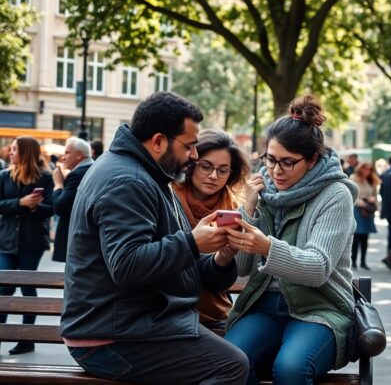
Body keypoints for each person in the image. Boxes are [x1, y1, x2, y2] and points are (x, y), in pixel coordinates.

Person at [60, 92, 248, 384]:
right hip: (113, 338)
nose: (195, 156)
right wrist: (192, 243)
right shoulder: (129, 181)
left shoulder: (149, 176)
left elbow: (182, 267)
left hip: (133, 326)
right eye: (189, 146)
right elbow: (126, 265)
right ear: (158, 141)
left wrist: (221, 258)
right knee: (231, 366)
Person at [224, 95, 357, 384]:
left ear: (311, 160)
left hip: (320, 309)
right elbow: (242, 268)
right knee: (228, 363)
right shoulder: (263, 190)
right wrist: (247, 210)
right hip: (263, 305)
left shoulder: (335, 195)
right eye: (270, 159)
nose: (275, 170)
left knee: (291, 369)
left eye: (287, 162)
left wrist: (267, 246)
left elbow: (318, 267)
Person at [172, 129, 248, 330]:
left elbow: (218, 283)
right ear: (191, 163)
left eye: (223, 170)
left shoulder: (234, 210)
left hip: (215, 313)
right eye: (206, 166)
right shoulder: (169, 197)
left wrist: (223, 260)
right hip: (170, 312)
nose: (214, 176)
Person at [0, 136, 54, 355]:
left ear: (26, 152)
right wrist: (20, 203)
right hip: (6, 241)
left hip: (32, 242)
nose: (10, 152)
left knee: (27, 286)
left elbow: (51, 208)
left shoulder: (45, 177)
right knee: (4, 289)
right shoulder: (4, 176)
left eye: (14, 149)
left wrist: (34, 208)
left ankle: (26, 338)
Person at [51, 137, 94, 263]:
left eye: (67, 152)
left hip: (77, 238)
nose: (63, 157)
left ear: (79, 155)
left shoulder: (77, 174)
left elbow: (60, 207)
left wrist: (58, 185)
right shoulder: (91, 169)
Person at [349, 161, 379, 270]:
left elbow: (374, 195)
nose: (367, 171)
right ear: (360, 168)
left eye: (370, 169)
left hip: (368, 211)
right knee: (357, 237)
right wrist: (364, 201)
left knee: (365, 238)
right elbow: (351, 195)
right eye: (365, 169)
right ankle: (353, 261)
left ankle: (363, 262)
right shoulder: (353, 178)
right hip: (358, 210)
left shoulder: (371, 179)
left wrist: (374, 200)